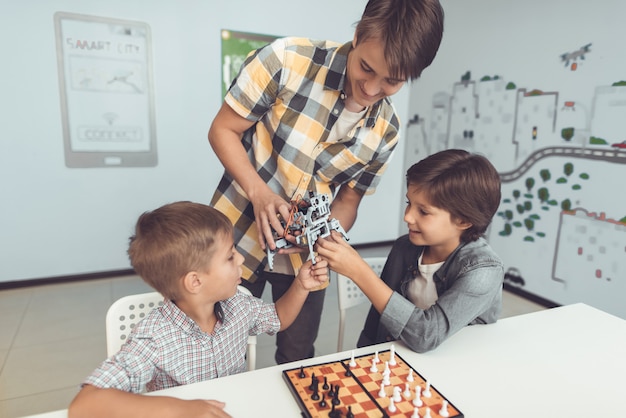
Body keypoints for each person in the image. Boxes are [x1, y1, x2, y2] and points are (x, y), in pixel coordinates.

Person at [208, 0, 444, 364]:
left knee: (298, 354)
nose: (370, 88)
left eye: (392, 81)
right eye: (366, 67)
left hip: (307, 259)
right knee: (217, 349)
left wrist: (322, 235)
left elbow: (348, 202)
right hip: (234, 234)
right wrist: (259, 193)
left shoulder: (387, 132)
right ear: (357, 35)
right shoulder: (286, 60)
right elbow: (222, 130)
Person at [68, 201, 329, 418]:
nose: (240, 259)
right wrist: (180, 409)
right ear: (195, 281)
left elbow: (277, 318)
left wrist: (301, 285)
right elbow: (84, 405)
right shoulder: (153, 337)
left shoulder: (238, 304)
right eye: (230, 256)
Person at [316, 149, 504, 353]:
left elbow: (427, 334)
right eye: (409, 203)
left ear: (464, 221)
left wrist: (359, 271)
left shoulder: (484, 271)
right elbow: (377, 320)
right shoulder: (404, 247)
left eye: (423, 211)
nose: (407, 217)